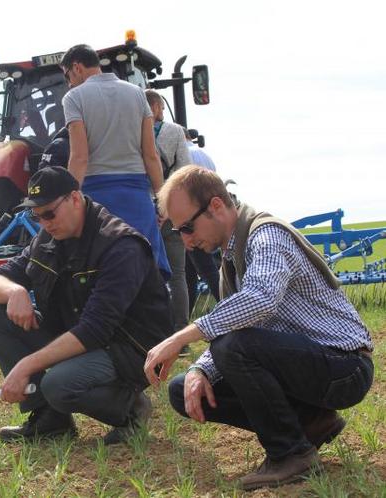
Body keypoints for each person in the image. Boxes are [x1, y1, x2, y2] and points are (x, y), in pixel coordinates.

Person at [143, 166, 374, 491]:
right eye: (178, 232)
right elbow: (233, 326)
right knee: (182, 389)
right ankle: (311, 423)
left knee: (232, 348)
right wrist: (200, 371)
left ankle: (290, 454)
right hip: (308, 366)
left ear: (216, 206)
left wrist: (182, 336)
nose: (186, 240)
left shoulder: (265, 235)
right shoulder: (231, 260)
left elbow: (260, 299)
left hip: (345, 367)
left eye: (188, 227)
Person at [0, 166, 172, 445]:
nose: (44, 223)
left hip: (129, 349)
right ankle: (50, 420)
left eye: (49, 213)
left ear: (76, 199)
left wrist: (25, 366)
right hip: (80, 335)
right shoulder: (47, 239)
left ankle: (131, 409)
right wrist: (14, 290)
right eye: (36, 215)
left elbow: (95, 329)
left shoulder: (120, 245)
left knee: (57, 383)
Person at [60, 44, 171, 279]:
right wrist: (162, 199)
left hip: (97, 199)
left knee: (102, 270)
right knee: (146, 268)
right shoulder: (137, 94)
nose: (69, 82)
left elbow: (79, 156)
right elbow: (150, 154)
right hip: (137, 196)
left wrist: (68, 200)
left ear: (77, 68)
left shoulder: (74, 98)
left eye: (68, 75)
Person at [145, 90, 192, 341]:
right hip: (170, 211)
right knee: (177, 274)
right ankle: (181, 332)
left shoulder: (133, 131)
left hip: (143, 211)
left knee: (147, 273)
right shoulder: (174, 131)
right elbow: (184, 170)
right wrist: (168, 208)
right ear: (158, 106)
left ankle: (154, 332)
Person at [182, 127, 221, 311]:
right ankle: (185, 318)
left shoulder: (183, 154)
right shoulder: (204, 155)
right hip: (206, 215)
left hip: (191, 219)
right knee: (189, 273)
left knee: (206, 270)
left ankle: (228, 307)